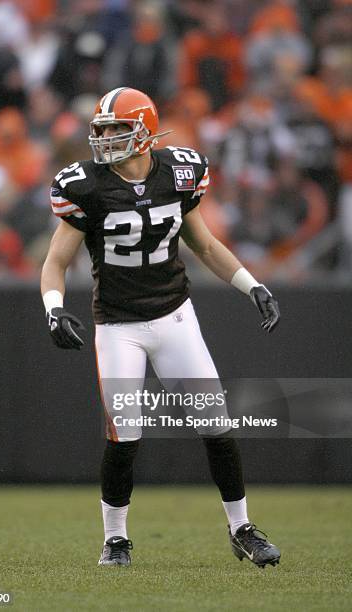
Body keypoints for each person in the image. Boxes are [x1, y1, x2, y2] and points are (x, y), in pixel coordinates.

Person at [41, 87, 281, 568]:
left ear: (146, 130)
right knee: (124, 438)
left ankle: (242, 529)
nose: (106, 138)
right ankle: (116, 540)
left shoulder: (180, 173)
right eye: (101, 129)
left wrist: (252, 285)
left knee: (218, 428)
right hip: (118, 326)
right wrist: (52, 306)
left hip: (174, 316)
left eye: (116, 128)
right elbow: (56, 261)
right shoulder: (85, 185)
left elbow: (206, 245)